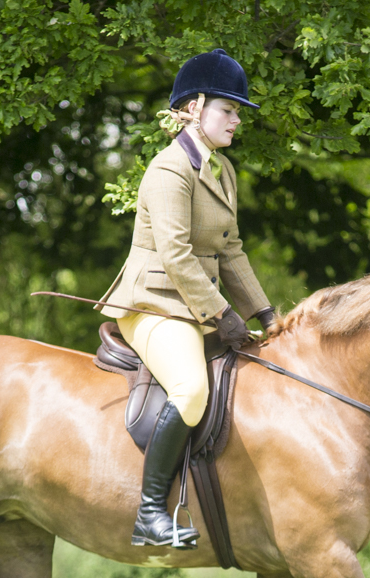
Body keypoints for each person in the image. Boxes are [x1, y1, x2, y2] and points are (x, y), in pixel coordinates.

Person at [99, 49, 277, 550]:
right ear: (195, 107)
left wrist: (266, 314)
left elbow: (232, 250)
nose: (237, 120)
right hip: (154, 305)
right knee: (191, 388)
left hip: (194, 307)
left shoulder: (223, 170)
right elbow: (177, 257)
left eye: (238, 112)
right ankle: (150, 513)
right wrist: (223, 314)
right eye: (229, 110)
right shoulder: (169, 170)